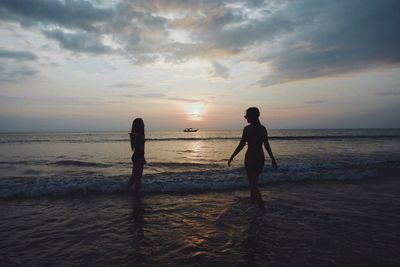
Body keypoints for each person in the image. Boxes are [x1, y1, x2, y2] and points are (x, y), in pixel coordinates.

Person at [228, 107, 277, 210]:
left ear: (252, 117)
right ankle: (253, 204)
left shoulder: (247, 129)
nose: (245, 118)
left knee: (253, 183)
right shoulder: (263, 129)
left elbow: (241, 145)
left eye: (247, 116)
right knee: (254, 182)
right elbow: (266, 145)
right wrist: (272, 158)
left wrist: (232, 156)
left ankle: (261, 207)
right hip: (260, 157)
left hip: (250, 157)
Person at [129, 118, 146, 195]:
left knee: (134, 177)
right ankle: (136, 194)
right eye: (142, 123)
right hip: (138, 157)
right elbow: (140, 148)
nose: (144, 125)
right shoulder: (138, 135)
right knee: (138, 178)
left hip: (137, 156)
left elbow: (139, 147)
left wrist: (143, 157)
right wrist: (142, 158)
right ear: (138, 125)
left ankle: (127, 190)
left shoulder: (137, 134)